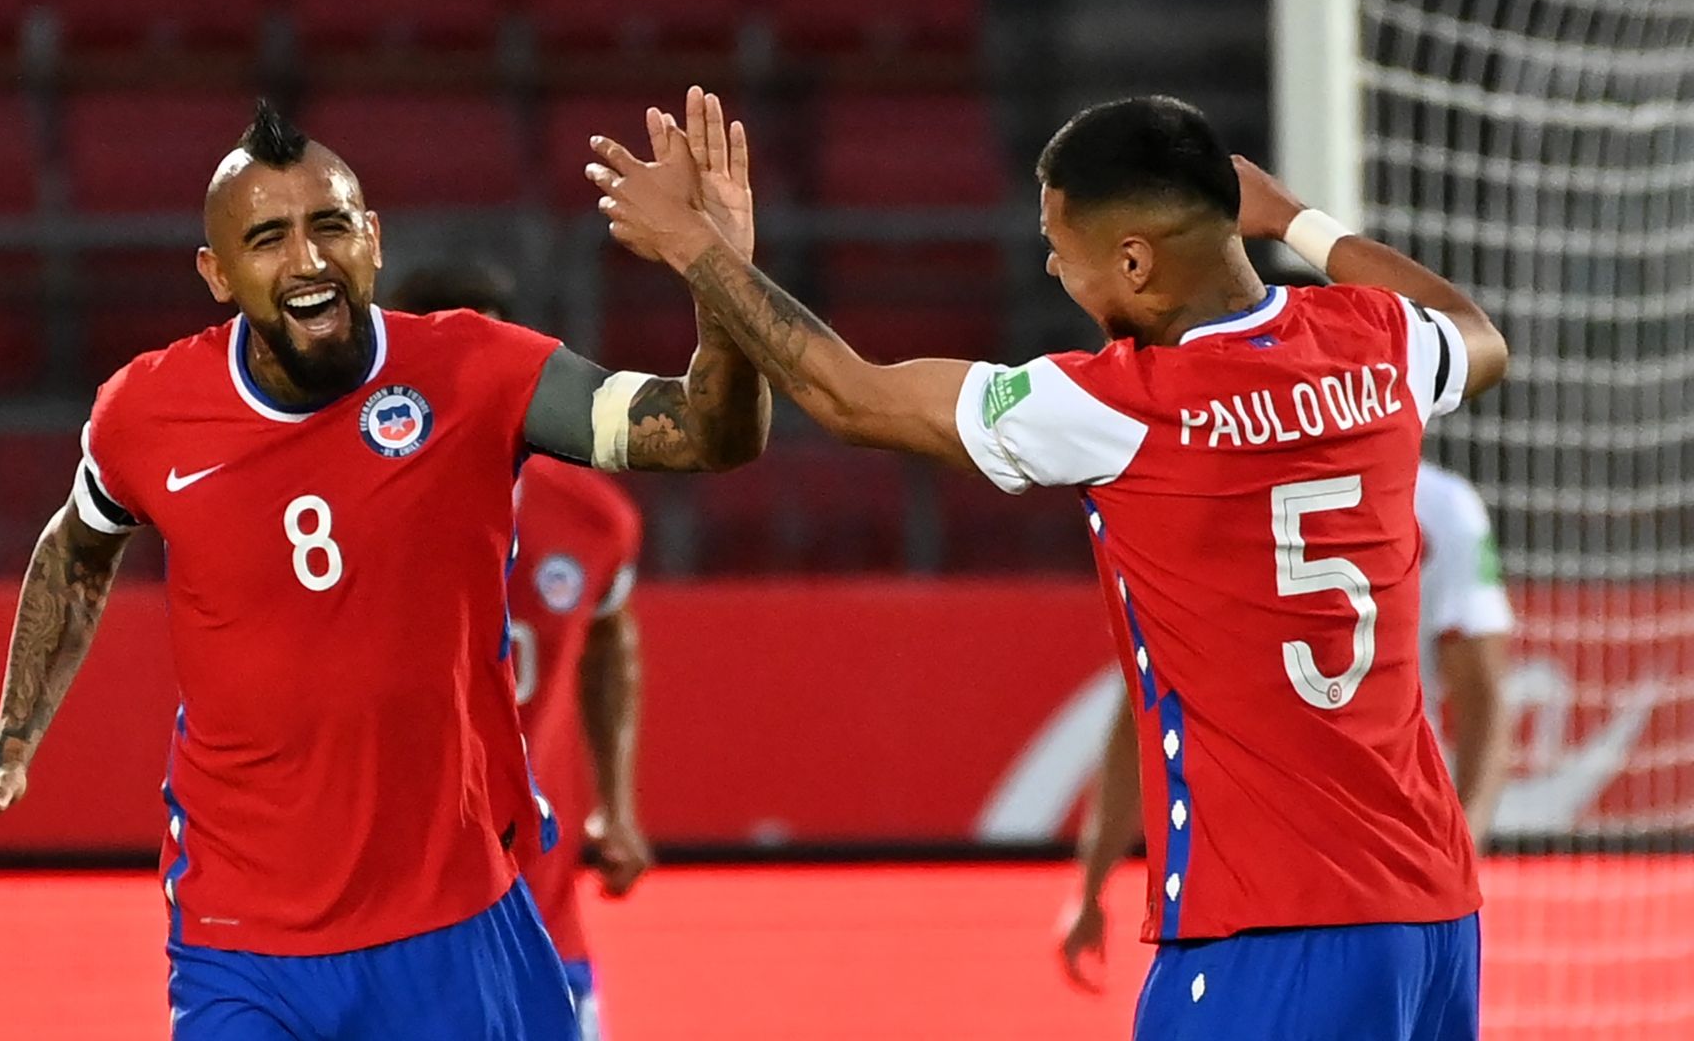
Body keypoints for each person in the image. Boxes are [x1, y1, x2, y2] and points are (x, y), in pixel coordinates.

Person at [589, 92, 1508, 1038]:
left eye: (1059, 244)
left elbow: (851, 396)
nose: (1052, 265)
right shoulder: (1375, 341)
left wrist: (698, 251)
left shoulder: (1117, 405)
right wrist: (1294, 220)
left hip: (1273, 927)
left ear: (1135, 262)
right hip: (1433, 913)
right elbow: (1478, 335)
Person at [0, 93, 767, 1040]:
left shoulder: (476, 371)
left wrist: (718, 271)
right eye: (269, 237)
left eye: (329, 226)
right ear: (218, 272)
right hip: (241, 939)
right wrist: (10, 743)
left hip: (454, 917)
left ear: (373, 237)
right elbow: (77, 549)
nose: (308, 259)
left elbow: (709, 433)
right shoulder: (146, 414)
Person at [1056, 460, 1515, 992]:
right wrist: (1462, 855)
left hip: (1245, 882)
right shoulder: (1444, 506)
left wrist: (1091, 884)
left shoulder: (1203, 482)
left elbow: (1146, 709)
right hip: (1390, 874)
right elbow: (1483, 694)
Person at [394, 263, 653, 1041]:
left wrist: (617, 804)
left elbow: (611, 640)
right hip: (384, 915)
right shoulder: (334, 512)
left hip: (537, 910)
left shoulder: (591, 520)